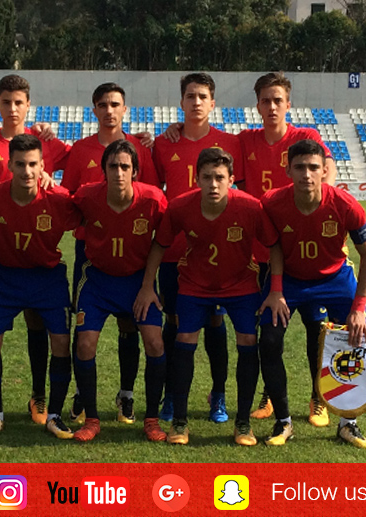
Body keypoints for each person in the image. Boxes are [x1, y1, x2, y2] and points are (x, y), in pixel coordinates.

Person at [135, 148, 278, 446]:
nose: (214, 184)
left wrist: (275, 290)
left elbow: (274, 245)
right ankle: (180, 423)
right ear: (197, 178)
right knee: (184, 340)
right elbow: (159, 245)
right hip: (195, 284)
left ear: (231, 180)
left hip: (240, 285)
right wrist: (148, 286)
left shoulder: (250, 207)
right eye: (207, 177)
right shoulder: (180, 207)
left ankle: (242, 424)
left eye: (220, 178)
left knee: (248, 342)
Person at [0, 74, 71, 427]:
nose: (12, 108)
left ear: (28, 105)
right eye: (6, 101)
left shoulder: (47, 142)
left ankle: (38, 396)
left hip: (36, 248)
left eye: (19, 102)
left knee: (37, 319)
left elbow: (85, 161)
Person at [258, 139, 366, 449]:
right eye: (299, 167)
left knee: (355, 340)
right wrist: (276, 290)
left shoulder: (345, 204)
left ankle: (348, 423)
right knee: (269, 341)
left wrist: (359, 307)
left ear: (325, 170)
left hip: (335, 279)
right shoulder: (272, 202)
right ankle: (283, 422)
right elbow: (274, 249)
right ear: (288, 170)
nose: (307, 175)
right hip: (291, 280)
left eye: (313, 168)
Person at [139, 73, 243, 424]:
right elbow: (153, 191)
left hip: (219, 251)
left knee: (215, 320)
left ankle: (219, 393)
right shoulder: (164, 143)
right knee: (175, 320)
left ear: (213, 103)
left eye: (202, 96)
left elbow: (239, 197)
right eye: (189, 96)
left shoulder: (231, 143)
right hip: (174, 250)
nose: (196, 102)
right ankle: (172, 393)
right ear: (181, 102)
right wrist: (146, 141)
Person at [237, 72, 338, 426]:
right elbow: (210, 153)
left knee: (316, 329)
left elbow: (328, 171)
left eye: (278, 99)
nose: (272, 106)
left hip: (306, 256)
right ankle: (268, 396)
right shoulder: (245, 141)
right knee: (271, 333)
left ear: (288, 104)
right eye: (265, 100)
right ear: (258, 105)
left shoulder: (305, 137)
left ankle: (319, 397)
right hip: (265, 254)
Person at [62, 83, 157, 426]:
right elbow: (70, 197)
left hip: (133, 252)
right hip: (91, 252)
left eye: (115, 104)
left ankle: (126, 394)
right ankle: (81, 393)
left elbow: (151, 196)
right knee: (85, 326)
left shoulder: (140, 148)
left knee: (129, 323)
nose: (109, 110)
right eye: (102, 104)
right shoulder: (80, 150)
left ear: (125, 109)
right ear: (94, 109)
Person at [70, 139, 167, 442]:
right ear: (104, 171)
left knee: (154, 342)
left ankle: (151, 418)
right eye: (113, 166)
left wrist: (149, 286)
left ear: (135, 171)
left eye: (125, 166)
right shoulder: (86, 197)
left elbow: (162, 241)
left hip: (137, 282)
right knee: (85, 344)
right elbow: (61, 208)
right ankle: (92, 418)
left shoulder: (152, 200)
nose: (119, 172)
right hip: (97, 280)